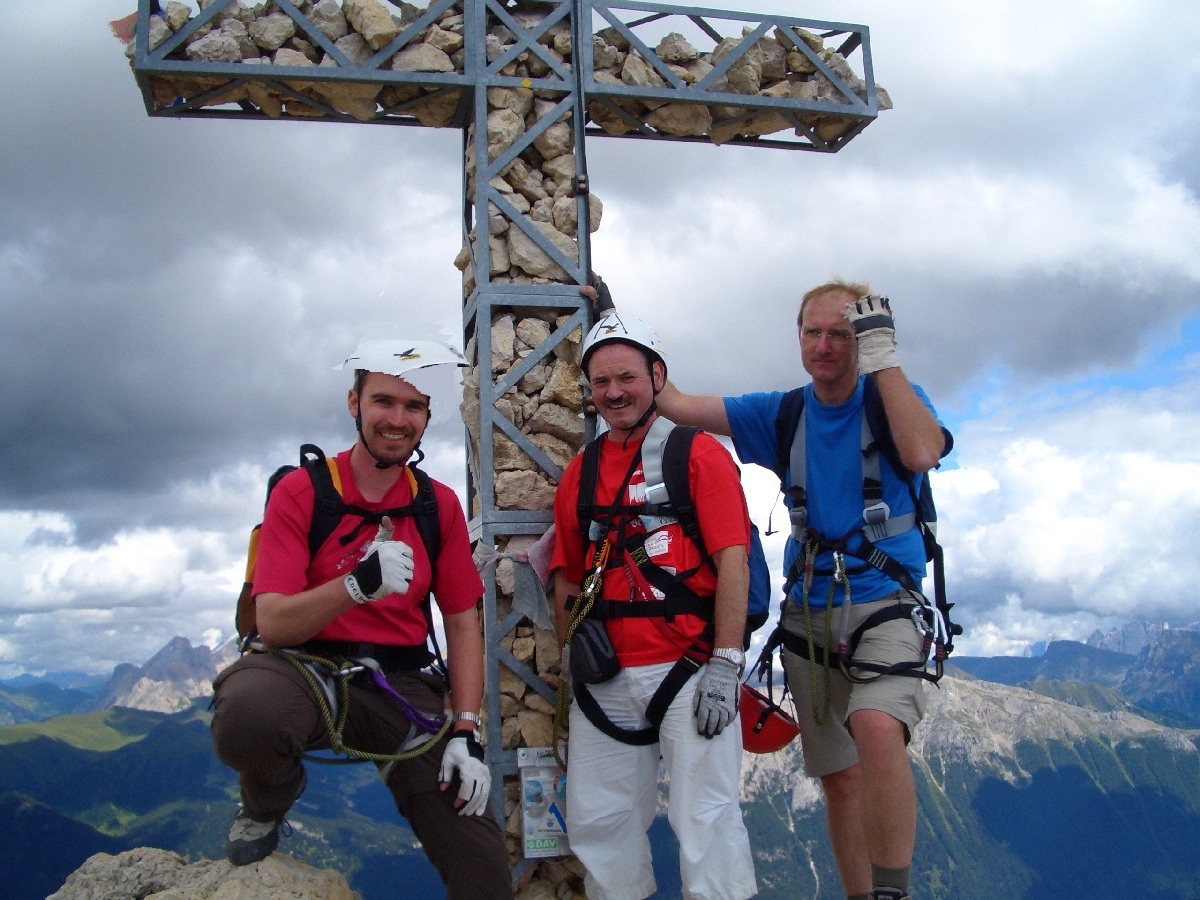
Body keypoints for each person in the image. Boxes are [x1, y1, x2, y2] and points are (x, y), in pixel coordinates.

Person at [653, 282, 953, 900]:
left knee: (876, 729)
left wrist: (885, 359)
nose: (823, 346)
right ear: (798, 337)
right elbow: (676, 404)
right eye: (813, 333)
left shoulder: (893, 400)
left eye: (840, 334)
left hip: (886, 601)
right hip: (810, 611)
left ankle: (891, 893)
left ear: (862, 342)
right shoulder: (783, 413)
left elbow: (923, 451)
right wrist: (614, 326)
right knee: (840, 778)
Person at [210, 338, 512, 899]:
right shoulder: (303, 492)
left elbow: (462, 621)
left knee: (481, 860)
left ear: (427, 416)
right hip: (304, 668)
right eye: (383, 402)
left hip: (400, 682)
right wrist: (357, 586)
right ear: (354, 404)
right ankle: (267, 800)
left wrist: (466, 731)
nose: (398, 420)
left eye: (413, 406)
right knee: (249, 716)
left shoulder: (437, 504)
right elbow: (272, 623)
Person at [550, 314, 758, 900]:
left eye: (627, 378)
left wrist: (726, 664)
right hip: (606, 675)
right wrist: (573, 656)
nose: (613, 392)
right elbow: (568, 575)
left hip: (690, 668)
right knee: (599, 823)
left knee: (707, 821)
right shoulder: (581, 474)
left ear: (657, 377)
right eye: (600, 382)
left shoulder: (698, 455)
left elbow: (734, 562)